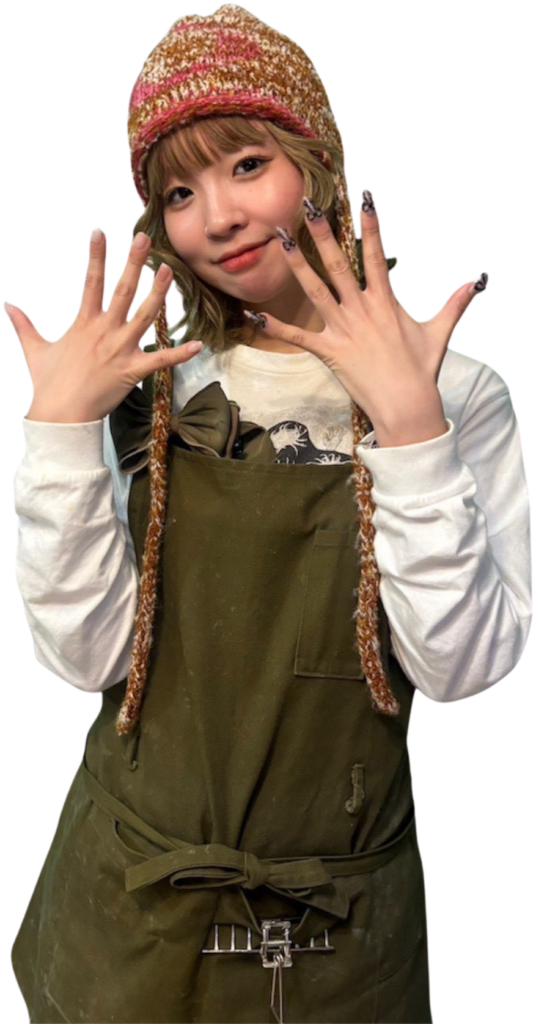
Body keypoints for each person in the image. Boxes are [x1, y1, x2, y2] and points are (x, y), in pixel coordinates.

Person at [8, 4, 532, 1023]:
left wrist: (410, 430)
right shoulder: (150, 384)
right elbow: (84, 659)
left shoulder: (456, 390)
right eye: (179, 191)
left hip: (340, 937)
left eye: (248, 164)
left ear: (319, 164)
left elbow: (460, 669)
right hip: (127, 919)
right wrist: (62, 434)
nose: (217, 217)